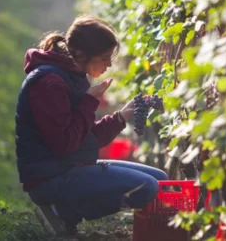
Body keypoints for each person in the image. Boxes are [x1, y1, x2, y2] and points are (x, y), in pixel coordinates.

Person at [15, 15, 168, 236]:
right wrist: (89, 101)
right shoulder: (50, 84)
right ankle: (63, 212)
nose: (110, 64)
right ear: (81, 54)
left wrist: (122, 116)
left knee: (160, 180)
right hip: (49, 177)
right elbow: (65, 144)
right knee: (147, 188)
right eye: (105, 57)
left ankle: (65, 210)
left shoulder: (74, 76)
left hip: (70, 165)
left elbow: (83, 136)